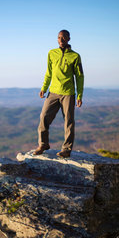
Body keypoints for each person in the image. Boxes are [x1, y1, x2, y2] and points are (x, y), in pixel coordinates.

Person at [33, 30, 84, 158]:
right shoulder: (51, 53)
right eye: (59, 37)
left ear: (69, 39)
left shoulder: (75, 56)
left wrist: (79, 95)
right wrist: (44, 88)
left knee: (68, 121)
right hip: (53, 92)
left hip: (68, 93)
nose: (61, 40)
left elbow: (80, 76)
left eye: (63, 37)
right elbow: (49, 72)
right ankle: (43, 144)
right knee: (44, 116)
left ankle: (66, 149)